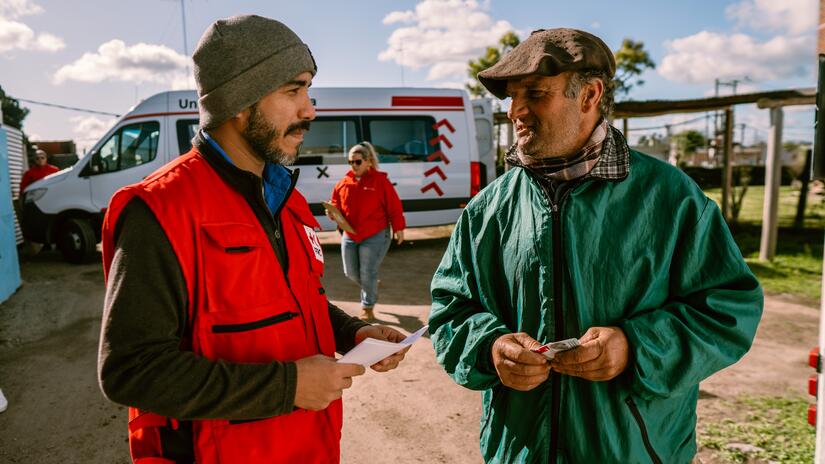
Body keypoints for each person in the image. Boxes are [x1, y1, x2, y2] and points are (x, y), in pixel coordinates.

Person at [428, 28, 763, 463]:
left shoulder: (671, 198)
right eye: (511, 97)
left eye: (534, 93)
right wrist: (491, 348)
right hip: (519, 452)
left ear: (589, 94)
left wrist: (637, 347)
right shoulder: (487, 209)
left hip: (635, 451)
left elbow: (728, 309)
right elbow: (451, 311)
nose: (516, 111)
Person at [97, 15, 408, 464]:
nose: (310, 110)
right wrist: (288, 387)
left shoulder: (288, 199)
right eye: (293, 90)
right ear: (239, 102)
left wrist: (353, 331)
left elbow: (297, 299)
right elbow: (131, 371)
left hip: (312, 448)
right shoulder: (159, 210)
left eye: (308, 91)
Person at [327, 141, 406, 321]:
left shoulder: (380, 181)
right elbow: (335, 204)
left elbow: (394, 206)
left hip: (375, 234)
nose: (353, 166)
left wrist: (399, 228)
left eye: (357, 162)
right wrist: (332, 213)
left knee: (367, 272)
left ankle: (367, 306)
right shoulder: (343, 183)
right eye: (350, 162)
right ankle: (371, 285)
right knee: (351, 273)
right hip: (350, 234)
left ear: (368, 161)